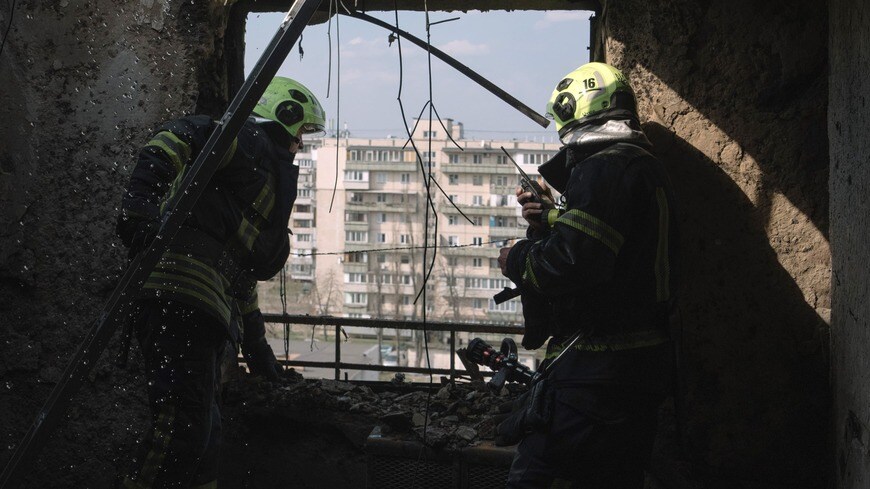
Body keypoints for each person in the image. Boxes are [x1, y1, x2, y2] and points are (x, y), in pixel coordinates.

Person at [116, 76, 325, 488]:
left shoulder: (254, 186)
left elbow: (238, 277)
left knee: (204, 437)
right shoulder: (250, 143)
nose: (301, 142)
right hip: (179, 297)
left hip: (203, 309)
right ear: (283, 117)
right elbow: (181, 134)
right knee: (179, 435)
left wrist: (260, 352)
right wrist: (140, 206)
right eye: (301, 131)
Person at [497, 62, 679, 488]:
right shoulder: (641, 162)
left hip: (598, 372)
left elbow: (573, 264)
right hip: (637, 364)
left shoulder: (607, 168)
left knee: (537, 474)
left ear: (570, 110)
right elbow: (613, 246)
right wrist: (552, 217)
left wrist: (518, 257)